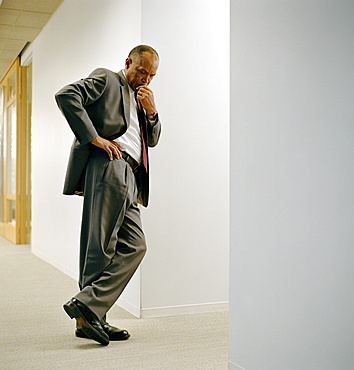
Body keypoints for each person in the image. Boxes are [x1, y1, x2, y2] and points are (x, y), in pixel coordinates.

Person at [55, 45, 161, 345]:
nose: (146, 79)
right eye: (141, 71)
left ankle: (88, 308)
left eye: (152, 75)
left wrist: (152, 112)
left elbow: (150, 141)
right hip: (109, 166)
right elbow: (66, 95)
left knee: (135, 246)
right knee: (99, 245)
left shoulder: (142, 98)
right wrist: (94, 138)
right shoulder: (107, 79)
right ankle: (88, 318)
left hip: (131, 175)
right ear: (128, 62)